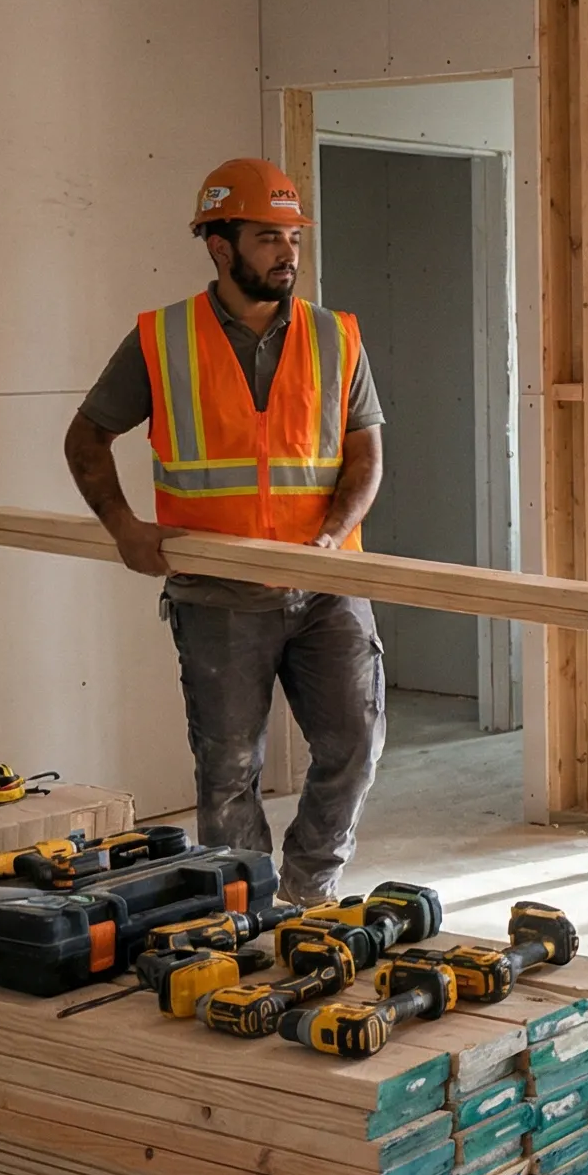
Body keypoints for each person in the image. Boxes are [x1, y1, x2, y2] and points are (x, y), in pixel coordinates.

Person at [63, 158, 385, 906]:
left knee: (355, 746)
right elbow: (86, 437)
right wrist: (123, 527)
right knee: (229, 769)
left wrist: (332, 538)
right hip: (217, 593)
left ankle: (308, 889)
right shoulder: (163, 338)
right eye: (268, 237)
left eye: (293, 237)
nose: (288, 253)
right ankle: (245, 906)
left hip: (328, 585)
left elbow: (366, 454)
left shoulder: (335, 336)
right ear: (219, 245)